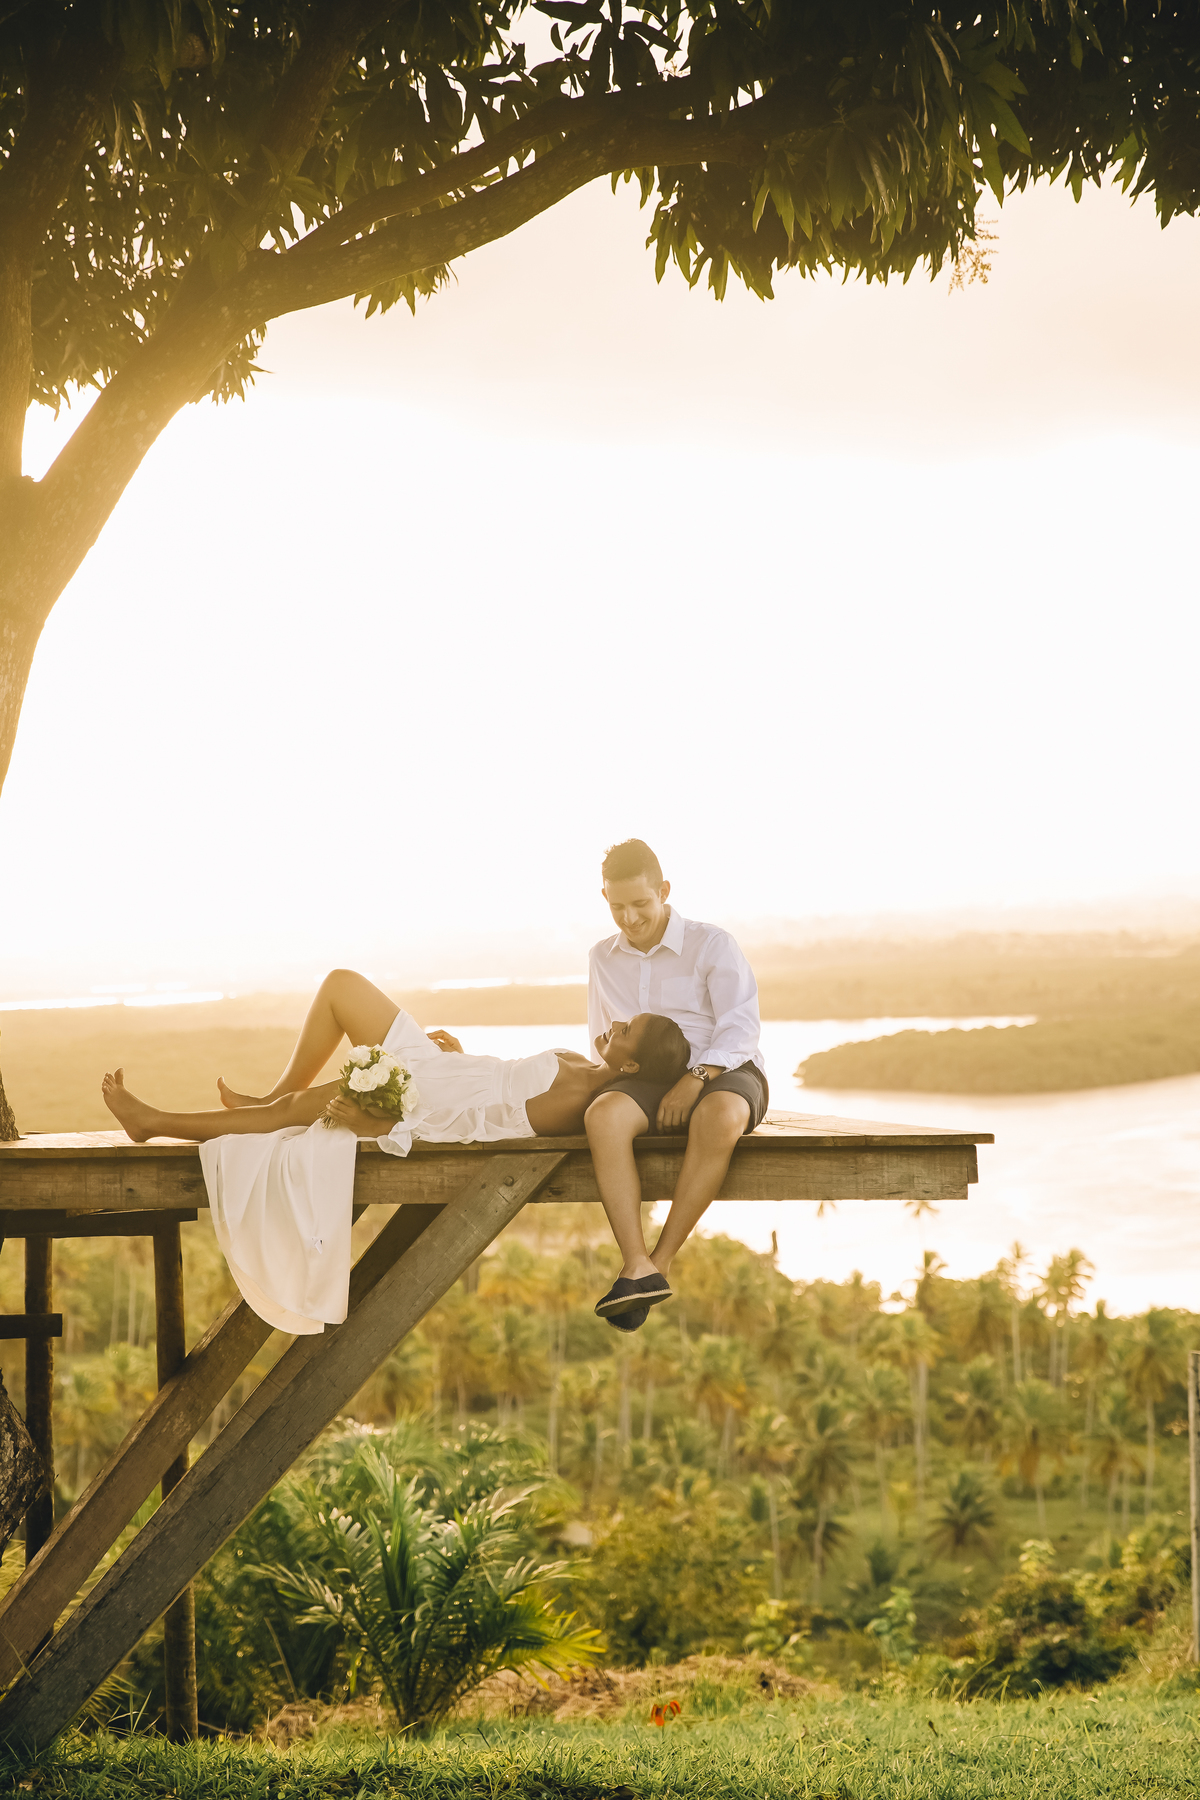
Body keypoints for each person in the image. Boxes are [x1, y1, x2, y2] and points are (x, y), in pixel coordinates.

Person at [101, 969, 690, 1336]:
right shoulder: (579, 1061)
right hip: (442, 1071)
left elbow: (481, 1126)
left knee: (300, 1111)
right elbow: (503, 1081)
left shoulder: (577, 1100)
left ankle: (153, 1122)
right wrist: (460, 1056)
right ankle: (271, 1098)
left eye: (626, 1031)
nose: (615, 1024)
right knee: (341, 986)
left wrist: (382, 1122)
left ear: (631, 1066)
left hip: (426, 1099)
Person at [585, 839, 768, 1333]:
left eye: (640, 903)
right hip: (645, 1077)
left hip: (726, 1068)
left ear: (664, 891)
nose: (630, 918)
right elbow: (601, 1036)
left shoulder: (712, 944)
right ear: (605, 898)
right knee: (603, 1116)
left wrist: (696, 1077)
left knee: (719, 1116)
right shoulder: (601, 957)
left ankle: (657, 1264)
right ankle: (634, 1261)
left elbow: (741, 1028)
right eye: (617, 906)